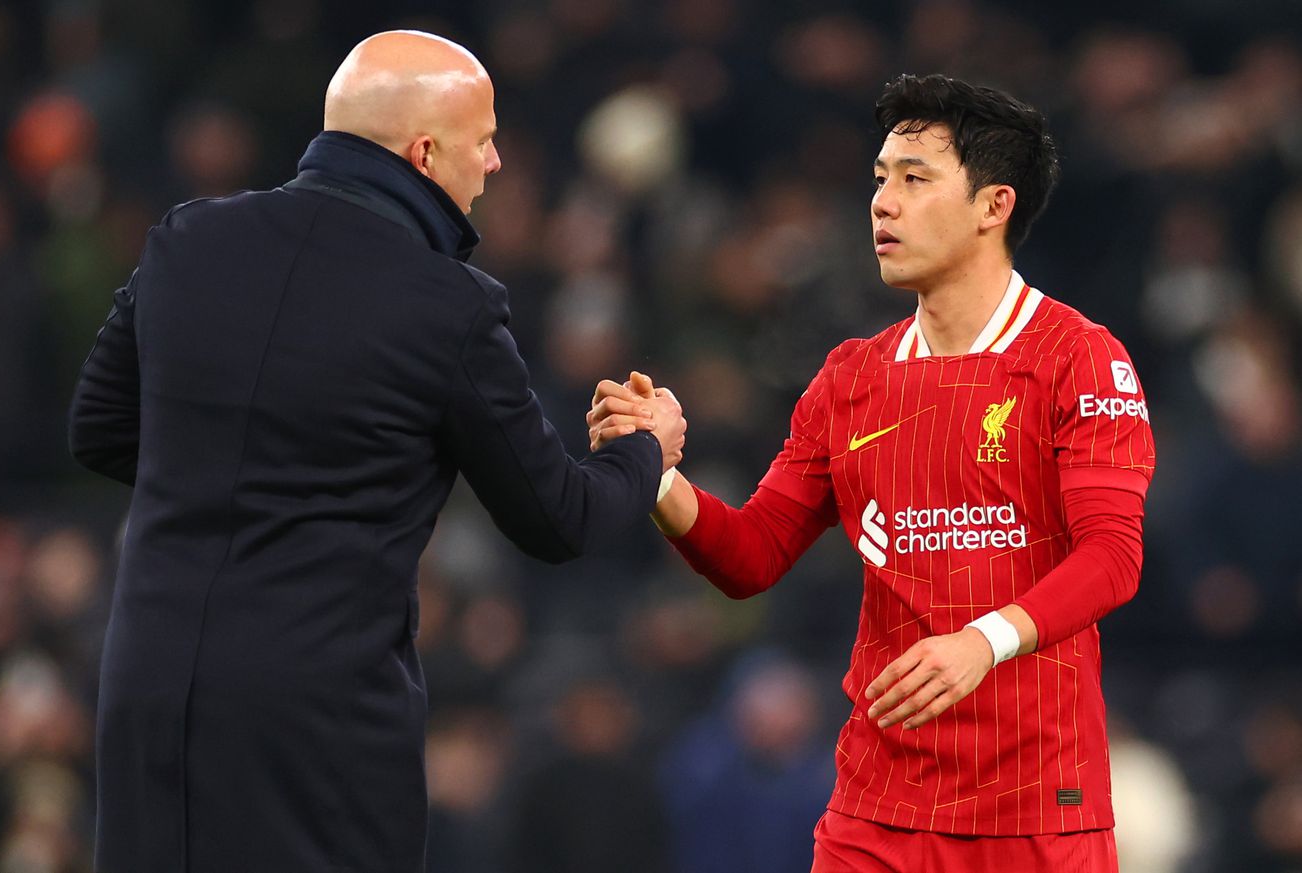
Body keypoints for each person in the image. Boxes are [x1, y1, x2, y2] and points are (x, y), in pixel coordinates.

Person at [67, 30, 685, 873]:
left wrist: (233, 468)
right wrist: (646, 452)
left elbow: (98, 430)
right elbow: (558, 519)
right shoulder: (449, 306)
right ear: (424, 152)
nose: (498, 162)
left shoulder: (187, 239)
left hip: (149, 683)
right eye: (485, 139)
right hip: (319, 716)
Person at [590, 73, 1155, 871]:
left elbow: (1111, 557)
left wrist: (982, 643)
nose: (883, 203)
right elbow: (752, 555)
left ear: (995, 205)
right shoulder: (852, 376)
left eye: (915, 179)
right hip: (876, 812)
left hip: (1033, 811)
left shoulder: (1079, 357)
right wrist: (655, 474)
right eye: (881, 179)